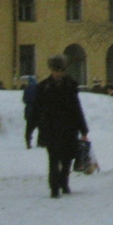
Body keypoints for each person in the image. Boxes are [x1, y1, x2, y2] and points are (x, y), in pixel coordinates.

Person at [31, 55, 89, 198]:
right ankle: (54, 187)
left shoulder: (70, 85)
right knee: (54, 159)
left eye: (61, 70)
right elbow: (37, 110)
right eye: (56, 70)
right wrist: (33, 128)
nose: (59, 73)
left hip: (69, 128)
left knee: (67, 158)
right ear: (51, 70)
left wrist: (83, 130)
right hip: (51, 129)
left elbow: (77, 108)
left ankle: (64, 182)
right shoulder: (43, 87)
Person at [22, 75, 38, 149]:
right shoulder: (38, 88)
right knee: (41, 127)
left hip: (29, 110)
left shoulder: (27, 89)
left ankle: (28, 142)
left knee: (29, 128)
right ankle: (40, 142)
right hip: (37, 110)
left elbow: (24, 100)